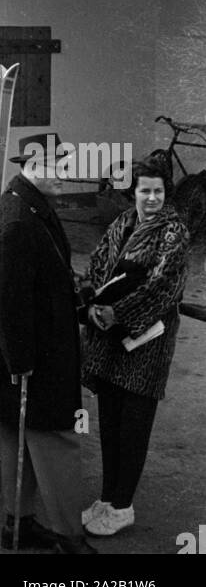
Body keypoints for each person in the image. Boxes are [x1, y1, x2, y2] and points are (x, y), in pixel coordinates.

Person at [0, 132, 96, 555]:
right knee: (56, 440)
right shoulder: (21, 219)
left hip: (27, 355)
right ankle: (68, 536)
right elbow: (6, 297)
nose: (65, 173)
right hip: (33, 358)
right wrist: (20, 359)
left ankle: (17, 525)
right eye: (58, 165)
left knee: (19, 439)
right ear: (32, 166)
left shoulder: (27, 205)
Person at [80, 154, 189, 538]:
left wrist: (118, 312)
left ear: (166, 193)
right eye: (145, 190)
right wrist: (92, 300)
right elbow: (95, 265)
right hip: (110, 343)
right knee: (109, 422)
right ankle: (108, 497)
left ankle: (123, 505)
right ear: (135, 192)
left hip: (147, 344)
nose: (152, 198)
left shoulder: (173, 232)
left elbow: (163, 288)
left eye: (158, 191)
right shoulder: (122, 222)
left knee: (134, 426)